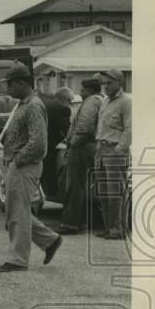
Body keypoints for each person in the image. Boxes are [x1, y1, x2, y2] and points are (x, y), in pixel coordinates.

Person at [0, 64, 63, 273]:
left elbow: (39, 142)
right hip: (19, 164)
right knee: (17, 210)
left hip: (25, 165)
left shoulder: (33, 106)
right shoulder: (24, 104)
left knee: (18, 212)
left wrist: (18, 160)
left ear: (23, 83)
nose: (8, 88)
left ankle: (18, 259)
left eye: (10, 84)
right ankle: (50, 241)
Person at [58, 78, 103, 234]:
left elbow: (84, 126)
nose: (81, 93)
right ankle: (82, 222)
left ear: (90, 90)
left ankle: (70, 224)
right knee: (85, 186)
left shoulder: (91, 102)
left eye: (83, 90)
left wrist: (73, 143)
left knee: (75, 185)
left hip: (83, 147)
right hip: (91, 146)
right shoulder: (100, 101)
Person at [94, 69, 132, 240]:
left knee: (116, 191)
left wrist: (119, 149)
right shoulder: (105, 102)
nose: (106, 86)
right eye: (104, 83)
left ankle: (118, 229)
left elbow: (130, 128)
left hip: (115, 150)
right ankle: (108, 227)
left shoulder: (126, 102)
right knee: (103, 191)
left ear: (119, 83)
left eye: (109, 83)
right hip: (101, 149)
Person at [41, 88, 73, 197]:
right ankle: (52, 193)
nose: (70, 105)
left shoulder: (45, 103)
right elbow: (68, 131)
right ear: (65, 98)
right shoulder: (62, 108)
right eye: (70, 101)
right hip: (49, 146)